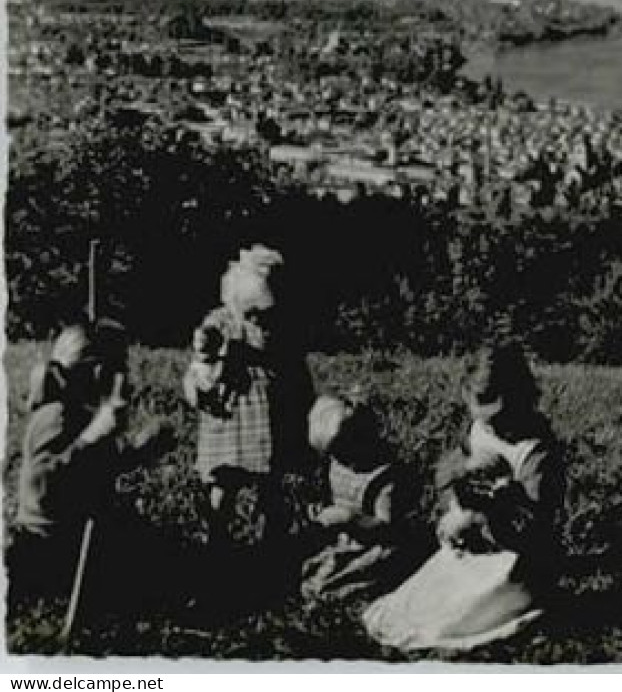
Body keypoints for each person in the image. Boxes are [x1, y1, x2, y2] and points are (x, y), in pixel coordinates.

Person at [362, 343, 565, 653]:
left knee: (455, 617)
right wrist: (458, 495)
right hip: (472, 543)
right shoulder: (479, 430)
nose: (492, 425)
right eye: (483, 416)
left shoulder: (535, 452)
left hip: (513, 558)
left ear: (521, 402)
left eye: (500, 417)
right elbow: (447, 471)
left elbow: (537, 527)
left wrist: (501, 504)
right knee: (422, 603)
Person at [9, 323, 170, 601]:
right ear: (98, 373)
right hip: (50, 542)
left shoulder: (80, 415)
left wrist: (140, 452)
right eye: (119, 371)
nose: (126, 382)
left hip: (76, 533)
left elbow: (93, 471)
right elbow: (43, 486)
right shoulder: (58, 416)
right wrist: (91, 437)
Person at [183, 245, 314, 544]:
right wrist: (208, 349)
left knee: (273, 482)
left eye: (262, 313)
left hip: (271, 413)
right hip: (232, 413)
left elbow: (295, 367)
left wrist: (303, 401)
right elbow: (204, 347)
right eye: (251, 313)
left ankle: (273, 540)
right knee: (225, 480)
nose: (257, 321)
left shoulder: (281, 325)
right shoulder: (221, 321)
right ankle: (217, 537)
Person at [298, 394, 427, 604]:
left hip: (377, 543)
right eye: (333, 455)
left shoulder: (383, 478)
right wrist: (321, 509)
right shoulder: (338, 464)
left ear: (361, 439)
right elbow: (335, 496)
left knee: (341, 579)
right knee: (306, 567)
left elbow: (388, 528)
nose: (338, 461)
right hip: (347, 538)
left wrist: (350, 518)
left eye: (341, 453)